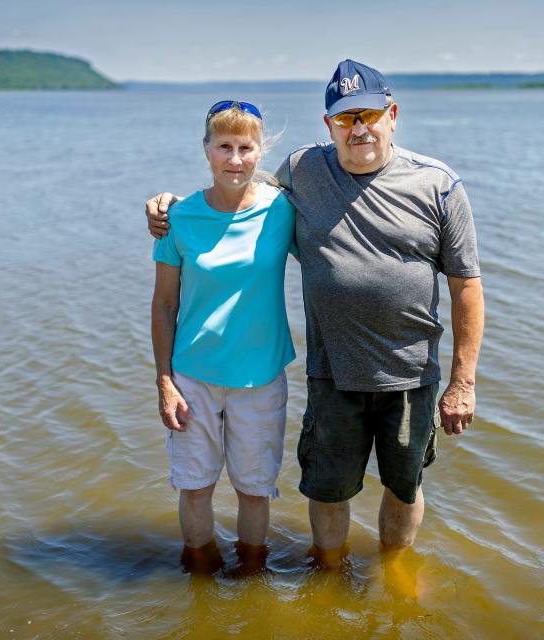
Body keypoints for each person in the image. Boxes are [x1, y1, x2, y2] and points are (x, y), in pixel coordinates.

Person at [147, 60, 484, 570]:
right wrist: (166, 204)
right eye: (346, 119)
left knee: (404, 484)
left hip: (409, 372)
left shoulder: (437, 185)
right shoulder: (304, 172)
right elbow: (230, 201)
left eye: (369, 115)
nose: (359, 128)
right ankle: (325, 577)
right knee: (325, 489)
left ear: (392, 115)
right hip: (328, 372)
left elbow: (467, 287)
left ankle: (394, 575)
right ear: (329, 126)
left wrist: (463, 381)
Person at [149, 100, 296, 576]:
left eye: (246, 148)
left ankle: (252, 576)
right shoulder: (179, 218)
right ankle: (199, 574)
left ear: (260, 152)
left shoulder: (282, 210)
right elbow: (164, 304)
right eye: (224, 147)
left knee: (255, 489)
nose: (235, 159)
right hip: (193, 377)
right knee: (194, 486)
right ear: (206, 149)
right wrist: (164, 381)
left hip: (262, 377)